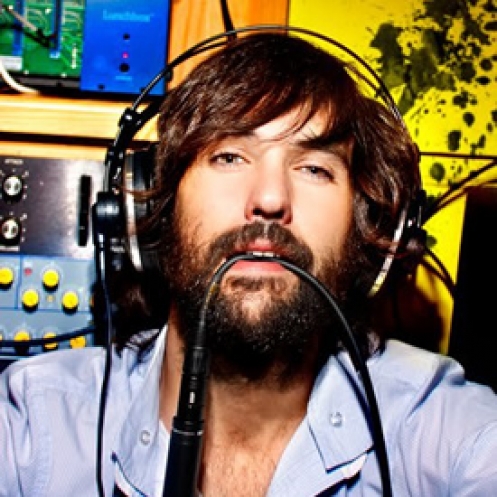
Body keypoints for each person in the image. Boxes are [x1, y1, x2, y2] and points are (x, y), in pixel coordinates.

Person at [1, 30, 497, 497]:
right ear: (154, 206)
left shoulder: (447, 433)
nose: (270, 199)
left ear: (370, 230)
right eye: (230, 157)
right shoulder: (32, 427)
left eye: (314, 168)